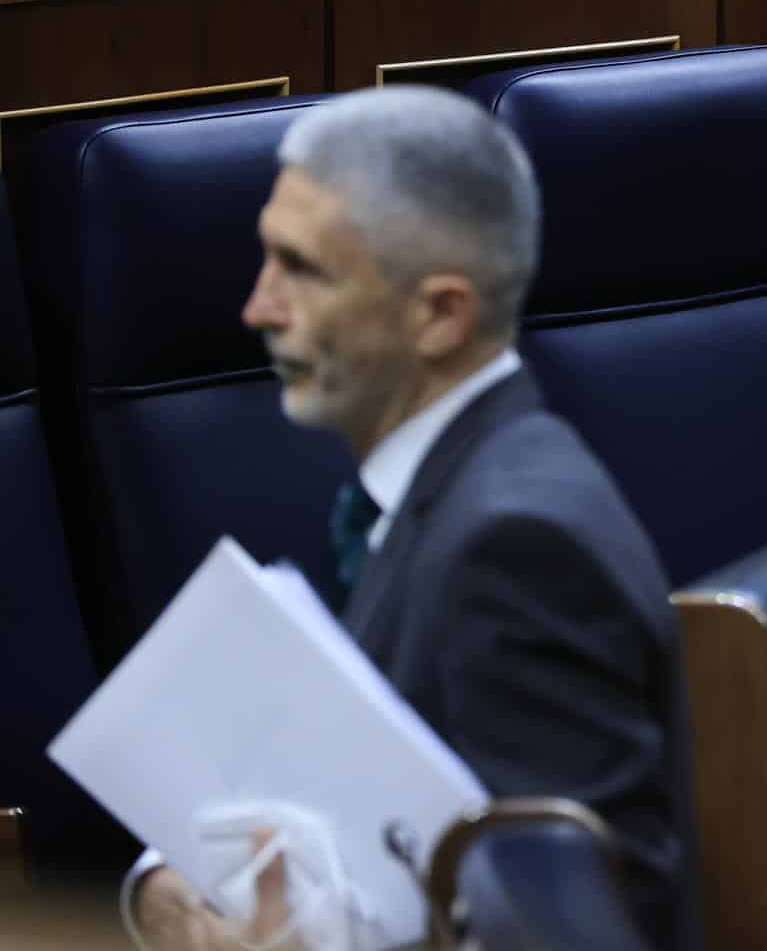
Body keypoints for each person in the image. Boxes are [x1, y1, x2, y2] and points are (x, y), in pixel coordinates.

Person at [127, 87, 700, 949]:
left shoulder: (517, 546)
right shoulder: (446, 488)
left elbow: (585, 936)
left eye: (302, 270)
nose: (258, 308)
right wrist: (162, 885)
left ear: (439, 314)